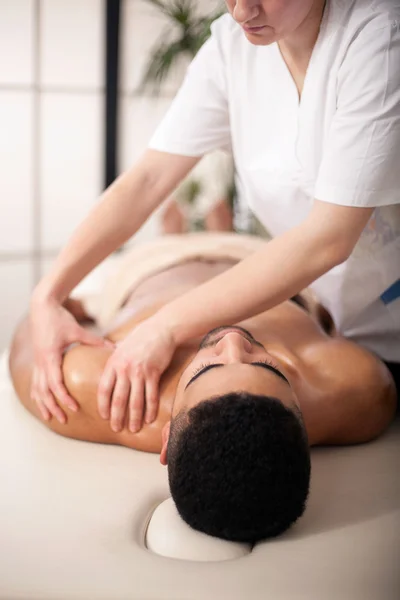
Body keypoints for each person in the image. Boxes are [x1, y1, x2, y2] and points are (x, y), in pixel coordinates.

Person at [29, 0, 400, 434]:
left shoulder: (379, 37)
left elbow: (328, 237)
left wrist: (164, 328)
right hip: (326, 313)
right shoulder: (230, 47)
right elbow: (148, 179)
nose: (242, 10)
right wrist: (47, 296)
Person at [10, 232, 397, 543]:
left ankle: (183, 224)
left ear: (166, 437)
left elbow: (32, 337)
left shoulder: (94, 389)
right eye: (266, 364)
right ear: (303, 421)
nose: (231, 338)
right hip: (275, 256)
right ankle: (216, 217)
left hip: (155, 264)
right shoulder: (357, 388)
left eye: (203, 369)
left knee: (174, 225)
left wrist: (57, 309)